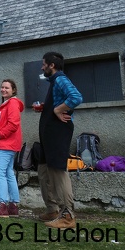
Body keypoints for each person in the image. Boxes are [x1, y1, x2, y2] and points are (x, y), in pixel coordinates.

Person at [36, 52, 83, 229]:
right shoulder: (54, 82)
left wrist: (57, 110)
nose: (42, 67)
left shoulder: (61, 79)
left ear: (51, 65)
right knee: (43, 171)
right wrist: (46, 107)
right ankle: (53, 209)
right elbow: (60, 100)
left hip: (57, 132)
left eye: (44, 64)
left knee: (57, 171)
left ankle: (68, 216)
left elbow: (76, 97)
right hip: (48, 133)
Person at [0, 79, 23, 217]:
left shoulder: (12, 103)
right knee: (8, 173)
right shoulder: (7, 104)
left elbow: (13, 124)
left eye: (7, 88)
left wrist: (1, 135)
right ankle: (13, 206)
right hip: (9, 144)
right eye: (2, 87)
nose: (3, 90)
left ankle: (2, 205)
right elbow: (2, 120)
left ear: (13, 90)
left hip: (5, 143)